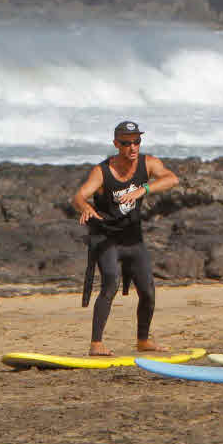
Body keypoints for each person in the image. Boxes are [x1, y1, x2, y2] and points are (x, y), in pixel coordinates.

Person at [71, 121, 180, 356]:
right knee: (110, 282)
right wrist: (85, 208)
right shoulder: (102, 171)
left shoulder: (148, 163)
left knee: (148, 291)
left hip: (133, 239)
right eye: (126, 143)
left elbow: (172, 179)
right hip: (106, 238)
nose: (133, 147)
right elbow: (78, 196)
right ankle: (96, 344)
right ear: (116, 144)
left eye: (137, 141)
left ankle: (143, 340)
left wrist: (143, 190)